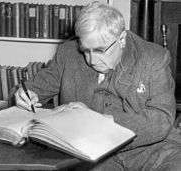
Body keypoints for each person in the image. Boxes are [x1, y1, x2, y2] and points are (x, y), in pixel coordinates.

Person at [12, 1, 181, 170]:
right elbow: (35, 88)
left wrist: (103, 121)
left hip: (150, 148)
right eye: (85, 50)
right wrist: (24, 94)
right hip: (93, 152)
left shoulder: (153, 58)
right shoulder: (68, 53)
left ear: (121, 39)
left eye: (100, 51)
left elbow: (162, 119)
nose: (92, 60)